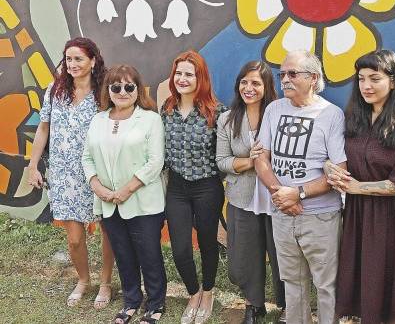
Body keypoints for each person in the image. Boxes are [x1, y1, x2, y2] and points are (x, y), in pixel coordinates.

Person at [325, 50, 395, 323]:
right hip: (359, 215)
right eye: (361, 79)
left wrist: (355, 188)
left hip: (393, 220)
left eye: (375, 78)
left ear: (393, 82)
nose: (366, 86)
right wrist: (331, 169)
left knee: (387, 280)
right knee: (363, 278)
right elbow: (335, 156)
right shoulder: (355, 120)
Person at [255, 50, 347, 324]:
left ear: (313, 77)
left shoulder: (331, 115)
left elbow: (339, 171)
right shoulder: (274, 109)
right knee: (292, 283)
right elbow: (261, 157)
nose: (285, 79)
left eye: (292, 73)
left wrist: (299, 193)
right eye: (282, 74)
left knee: (326, 285)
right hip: (282, 213)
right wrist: (280, 194)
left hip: (320, 216)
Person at [27, 37, 114, 309]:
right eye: (68, 59)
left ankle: (106, 282)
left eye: (78, 59)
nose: (72, 64)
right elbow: (43, 128)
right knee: (75, 238)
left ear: (93, 61)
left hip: (98, 173)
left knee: (106, 232)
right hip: (64, 174)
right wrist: (33, 165)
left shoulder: (104, 92)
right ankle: (83, 279)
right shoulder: (55, 90)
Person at [82, 65, 166, 324]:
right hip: (108, 203)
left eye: (128, 86)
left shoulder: (150, 119)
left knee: (149, 254)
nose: (122, 91)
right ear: (108, 90)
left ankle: (155, 304)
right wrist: (98, 187)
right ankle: (131, 300)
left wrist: (125, 190)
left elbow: (155, 161)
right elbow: (87, 157)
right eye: (115, 86)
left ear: (137, 89)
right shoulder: (99, 119)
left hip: (142, 202)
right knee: (123, 254)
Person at [216, 61, 285, 323]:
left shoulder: (280, 116)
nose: (249, 88)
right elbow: (221, 161)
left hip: (277, 198)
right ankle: (253, 304)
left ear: (267, 86)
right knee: (244, 255)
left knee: (281, 254)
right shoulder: (227, 119)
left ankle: (286, 304)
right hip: (242, 198)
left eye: (255, 83)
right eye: (244, 82)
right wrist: (249, 161)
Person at [161, 50, 226, 324]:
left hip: (207, 186)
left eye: (189, 74)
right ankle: (193, 292)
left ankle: (208, 292)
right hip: (177, 188)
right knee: (180, 248)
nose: (183, 79)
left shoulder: (217, 112)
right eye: (179, 73)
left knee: (209, 243)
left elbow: (223, 155)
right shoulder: (166, 109)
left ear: (201, 78)